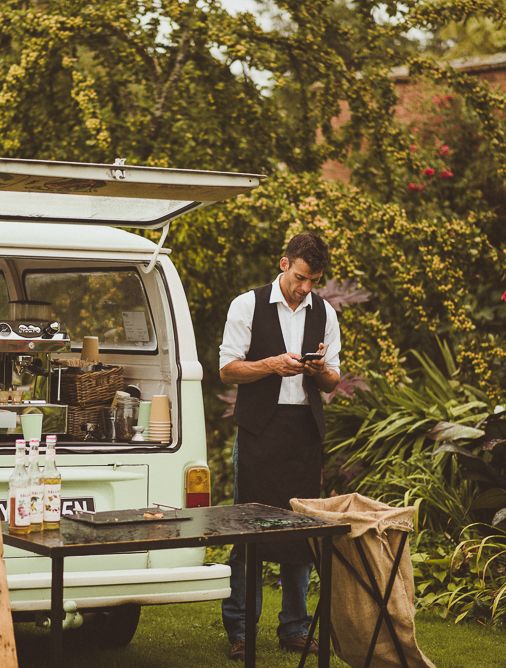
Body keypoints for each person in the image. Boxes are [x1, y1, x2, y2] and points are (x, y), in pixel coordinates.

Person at [219, 232, 341, 661]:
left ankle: (294, 626)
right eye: (302, 277)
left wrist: (320, 369)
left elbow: (332, 382)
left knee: (301, 534)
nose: (306, 288)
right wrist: (271, 365)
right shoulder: (246, 305)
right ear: (284, 263)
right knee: (247, 532)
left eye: (315, 281)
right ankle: (239, 627)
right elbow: (227, 370)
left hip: (303, 434)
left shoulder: (324, 313)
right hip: (258, 433)